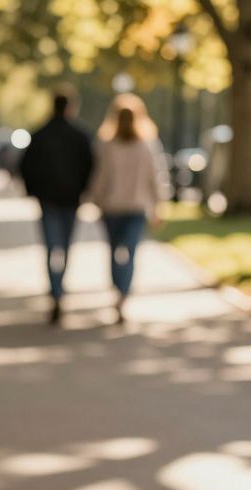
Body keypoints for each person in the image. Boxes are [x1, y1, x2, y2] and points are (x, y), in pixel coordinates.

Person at [87, 93, 167, 324]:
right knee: (130, 253)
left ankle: (118, 289)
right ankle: (123, 293)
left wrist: (96, 200)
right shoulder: (146, 145)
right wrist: (158, 207)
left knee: (114, 252)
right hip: (136, 208)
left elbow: (101, 177)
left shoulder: (108, 145)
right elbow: (157, 178)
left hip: (113, 207)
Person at [19, 86, 94, 324]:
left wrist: (33, 191)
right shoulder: (81, 135)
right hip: (71, 200)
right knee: (66, 247)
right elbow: (90, 166)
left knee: (52, 248)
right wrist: (83, 190)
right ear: (70, 107)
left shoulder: (40, 134)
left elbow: (25, 166)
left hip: (48, 200)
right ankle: (60, 288)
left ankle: (56, 292)